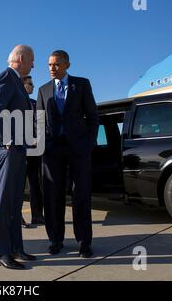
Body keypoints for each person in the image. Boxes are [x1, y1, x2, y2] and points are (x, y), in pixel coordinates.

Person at [37, 50, 99, 258]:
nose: (51, 69)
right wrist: (41, 144)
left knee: (81, 195)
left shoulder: (81, 84)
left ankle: (84, 242)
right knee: (53, 197)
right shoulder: (43, 90)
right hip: (52, 151)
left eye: (56, 64)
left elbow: (92, 116)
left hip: (78, 150)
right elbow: (38, 121)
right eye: (49, 65)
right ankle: (55, 240)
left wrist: (88, 144)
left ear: (67, 65)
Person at [0, 45, 37, 270]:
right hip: (10, 149)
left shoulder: (17, 81)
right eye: (31, 60)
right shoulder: (6, 77)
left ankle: (16, 247)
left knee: (16, 203)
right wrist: (7, 140)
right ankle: (1, 252)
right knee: (6, 202)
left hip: (20, 148)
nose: (34, 65)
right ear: (20, 58)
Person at [22, 75, 44, 226]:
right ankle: (15, 216)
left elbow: (41, 124)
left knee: (36, 184)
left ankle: (37, 216)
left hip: (34, 152)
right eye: (30, 84)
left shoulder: (36, 104)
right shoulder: (14, 104)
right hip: (18, 151)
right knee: (16, 186)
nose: (33, 87)